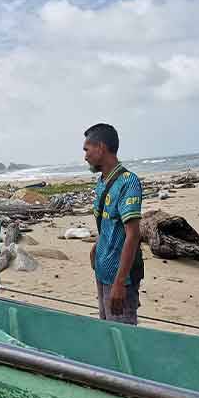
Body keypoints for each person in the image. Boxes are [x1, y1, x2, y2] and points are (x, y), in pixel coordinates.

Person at [83, 123, 143, 325]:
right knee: (106, 329)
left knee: (122, 334)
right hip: (102, 270)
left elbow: (133, 235)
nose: (85, 156)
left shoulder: (128, 182)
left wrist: (120, 283)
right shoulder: (102, 181)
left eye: (87, 150)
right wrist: (97, 245)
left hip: (119, 277)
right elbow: (109, 222)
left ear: (101, 147)